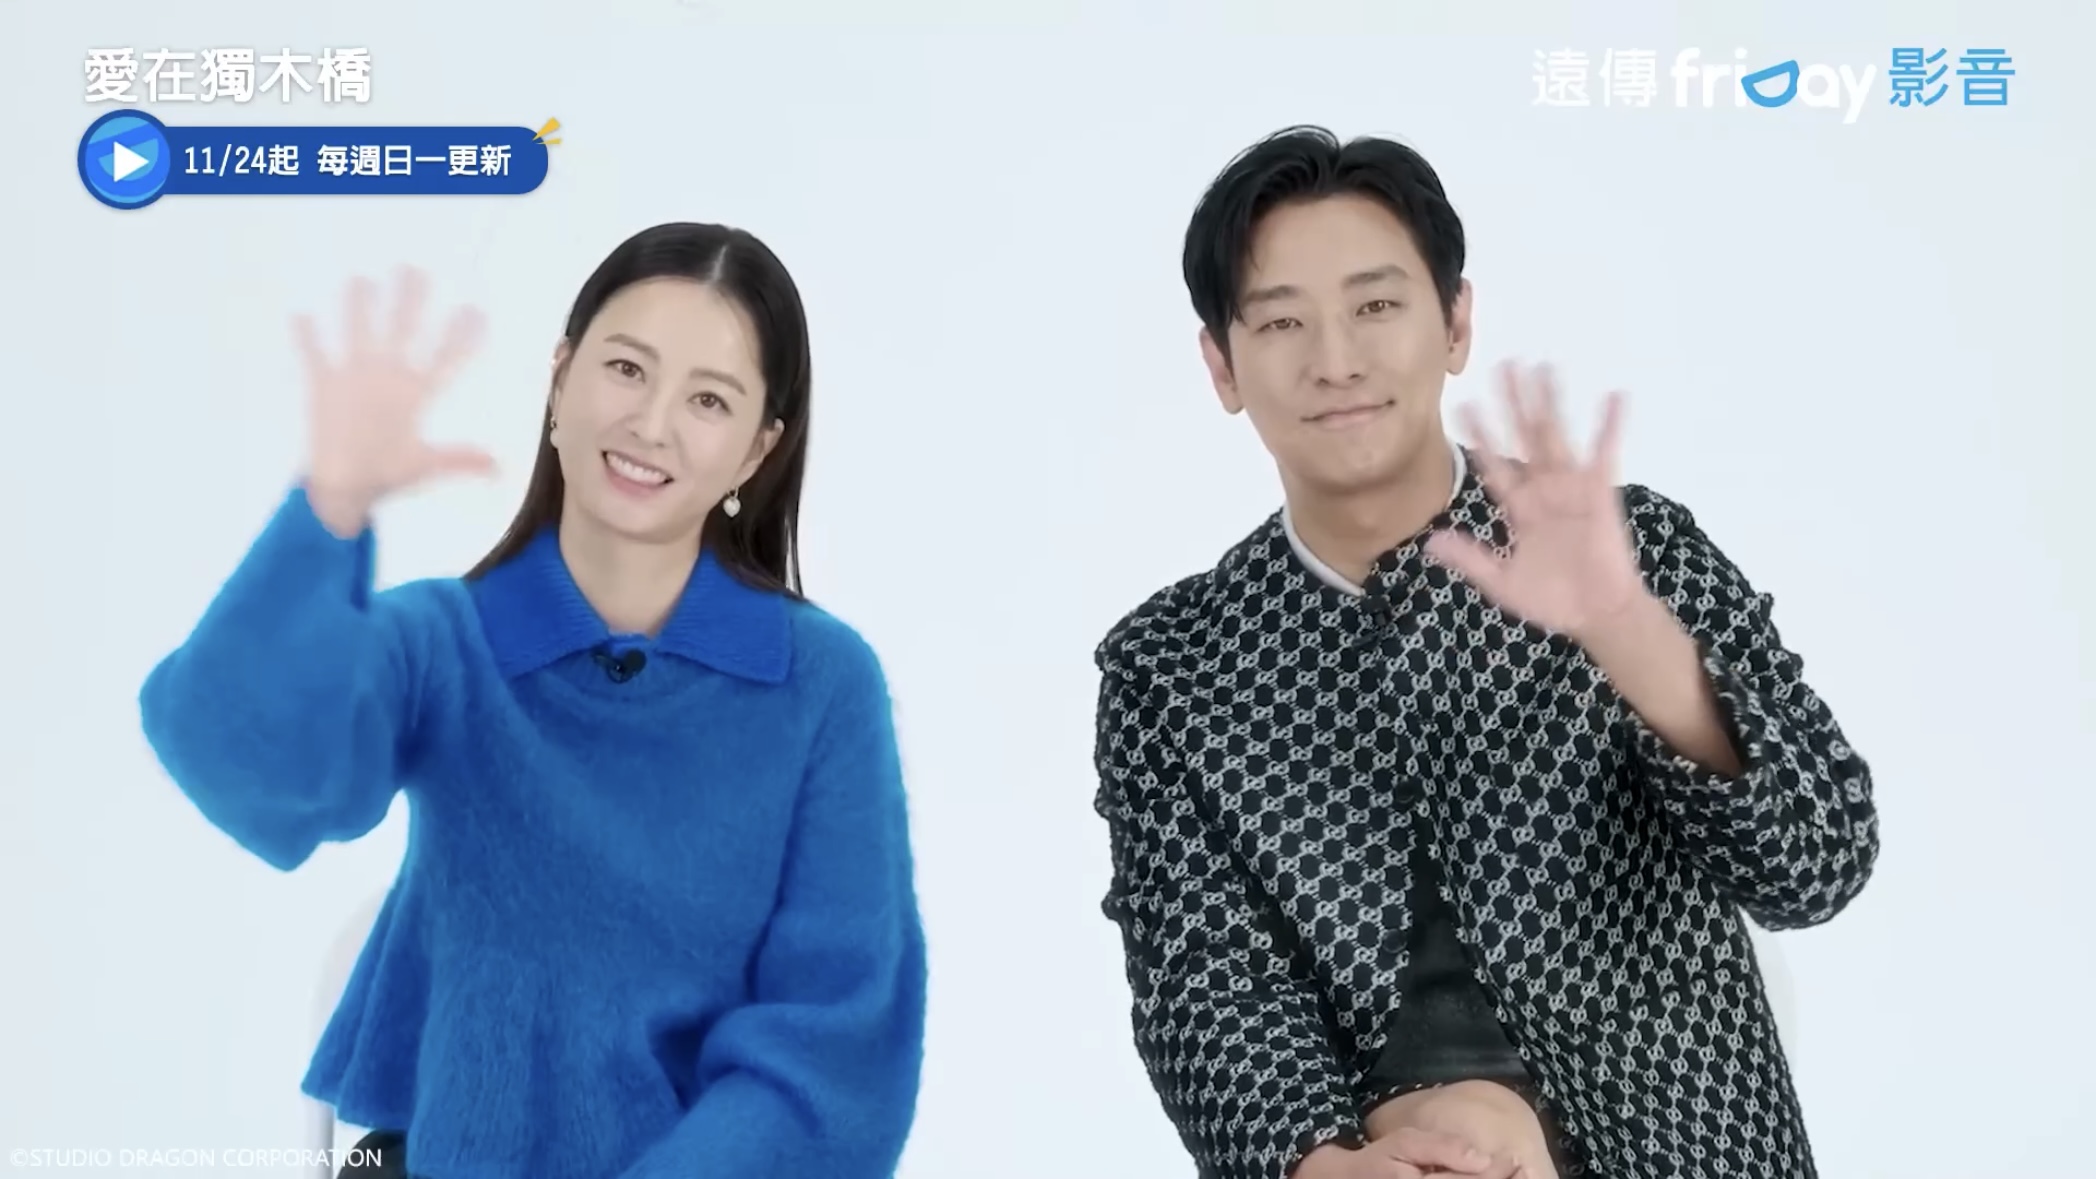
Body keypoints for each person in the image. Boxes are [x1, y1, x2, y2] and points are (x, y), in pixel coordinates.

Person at [1091, 126, 1879, 1179]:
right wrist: (1318, 1166)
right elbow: (1202, 983)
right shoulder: (1171, 667)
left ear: (1455, 321)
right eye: (1280, 322)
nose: (1335, 360)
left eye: (1376, 306)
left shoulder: (1628, 546)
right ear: (1221, 366)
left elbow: (1816, 863)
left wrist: (1622, 627)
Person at [138, 223, 926, 1179]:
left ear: (758, 450)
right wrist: (328, 507)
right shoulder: (445, 641)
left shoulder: (822, 685)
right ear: (561, 378)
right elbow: (243, 760)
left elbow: (834, 1051)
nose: (652, 424)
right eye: (627, 369)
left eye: (708, 399)